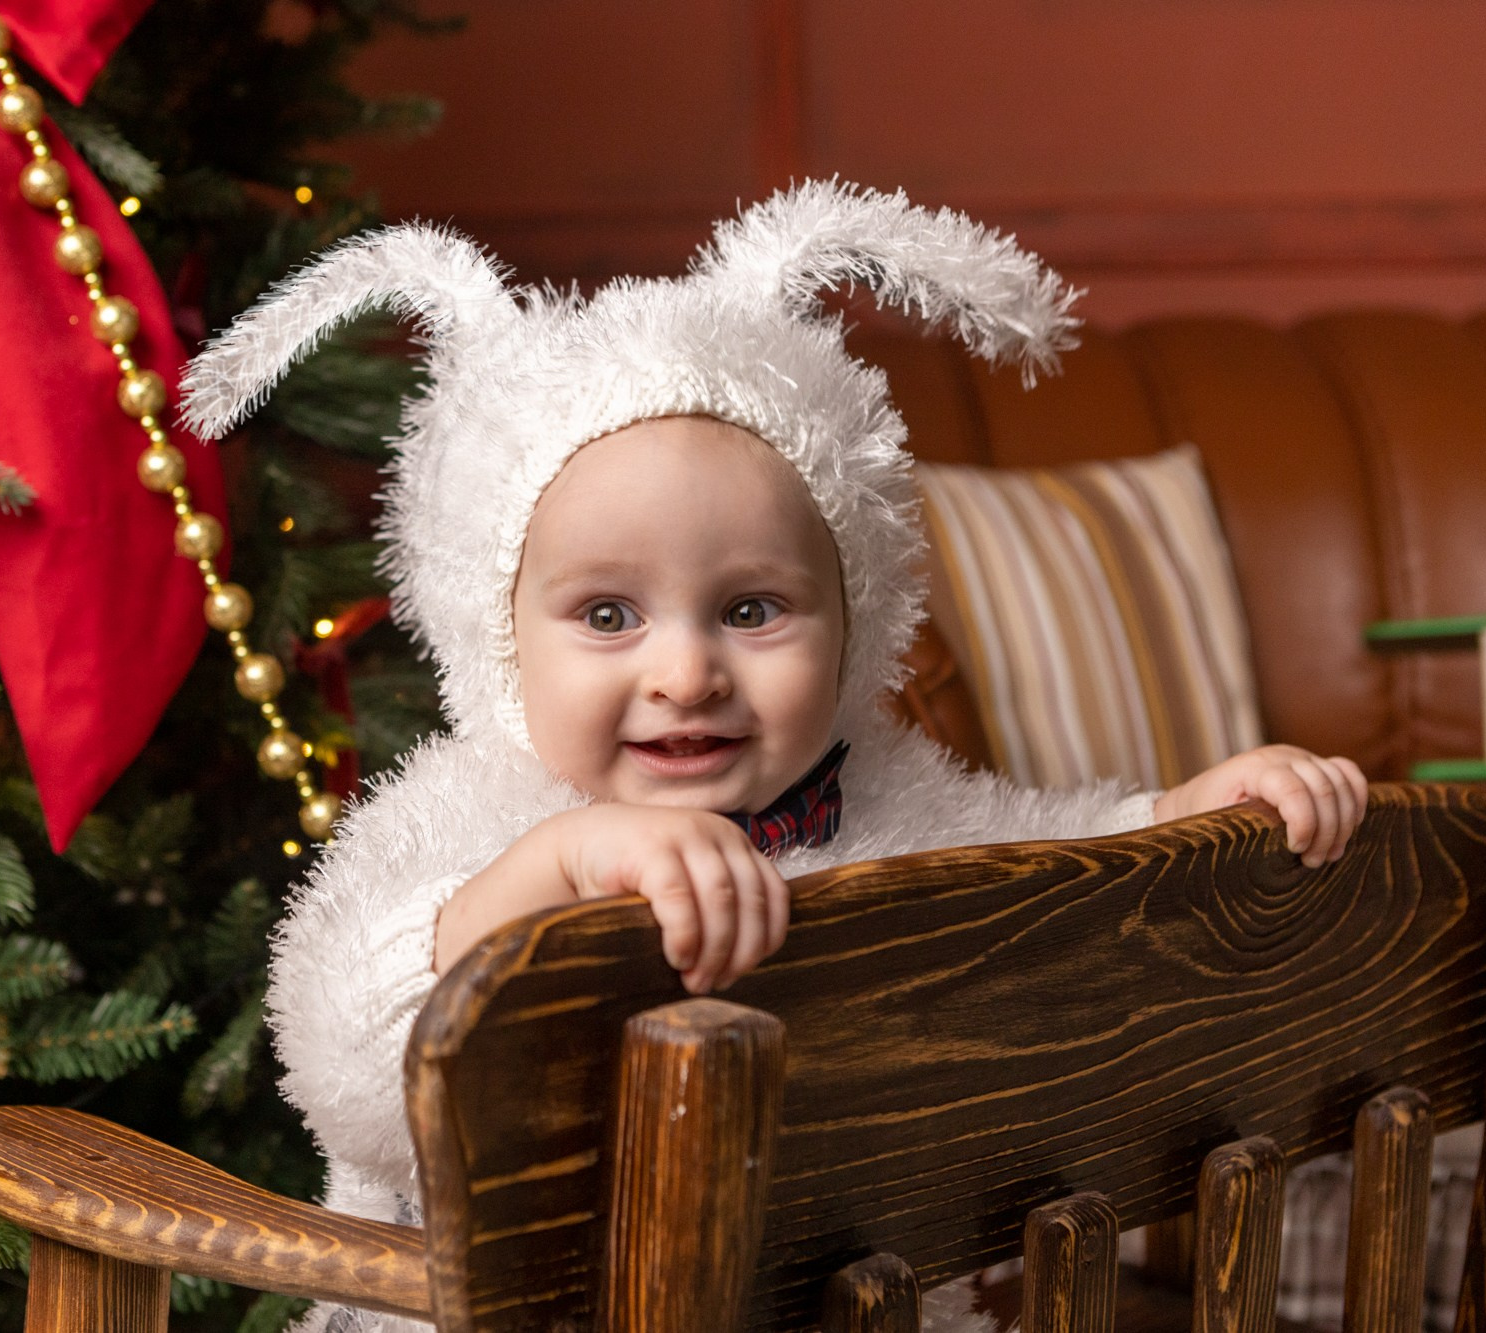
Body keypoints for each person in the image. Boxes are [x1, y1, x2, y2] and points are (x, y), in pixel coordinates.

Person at [179, 182, 1367, 1333]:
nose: (684, 674)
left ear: (854, 618)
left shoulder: (884, 799)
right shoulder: (465, 816)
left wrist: (1183, 816)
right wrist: (551, 869)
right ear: (495, 634)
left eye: (750, 611)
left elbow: (1046, 889)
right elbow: (346, 1054)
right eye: (606, 616)